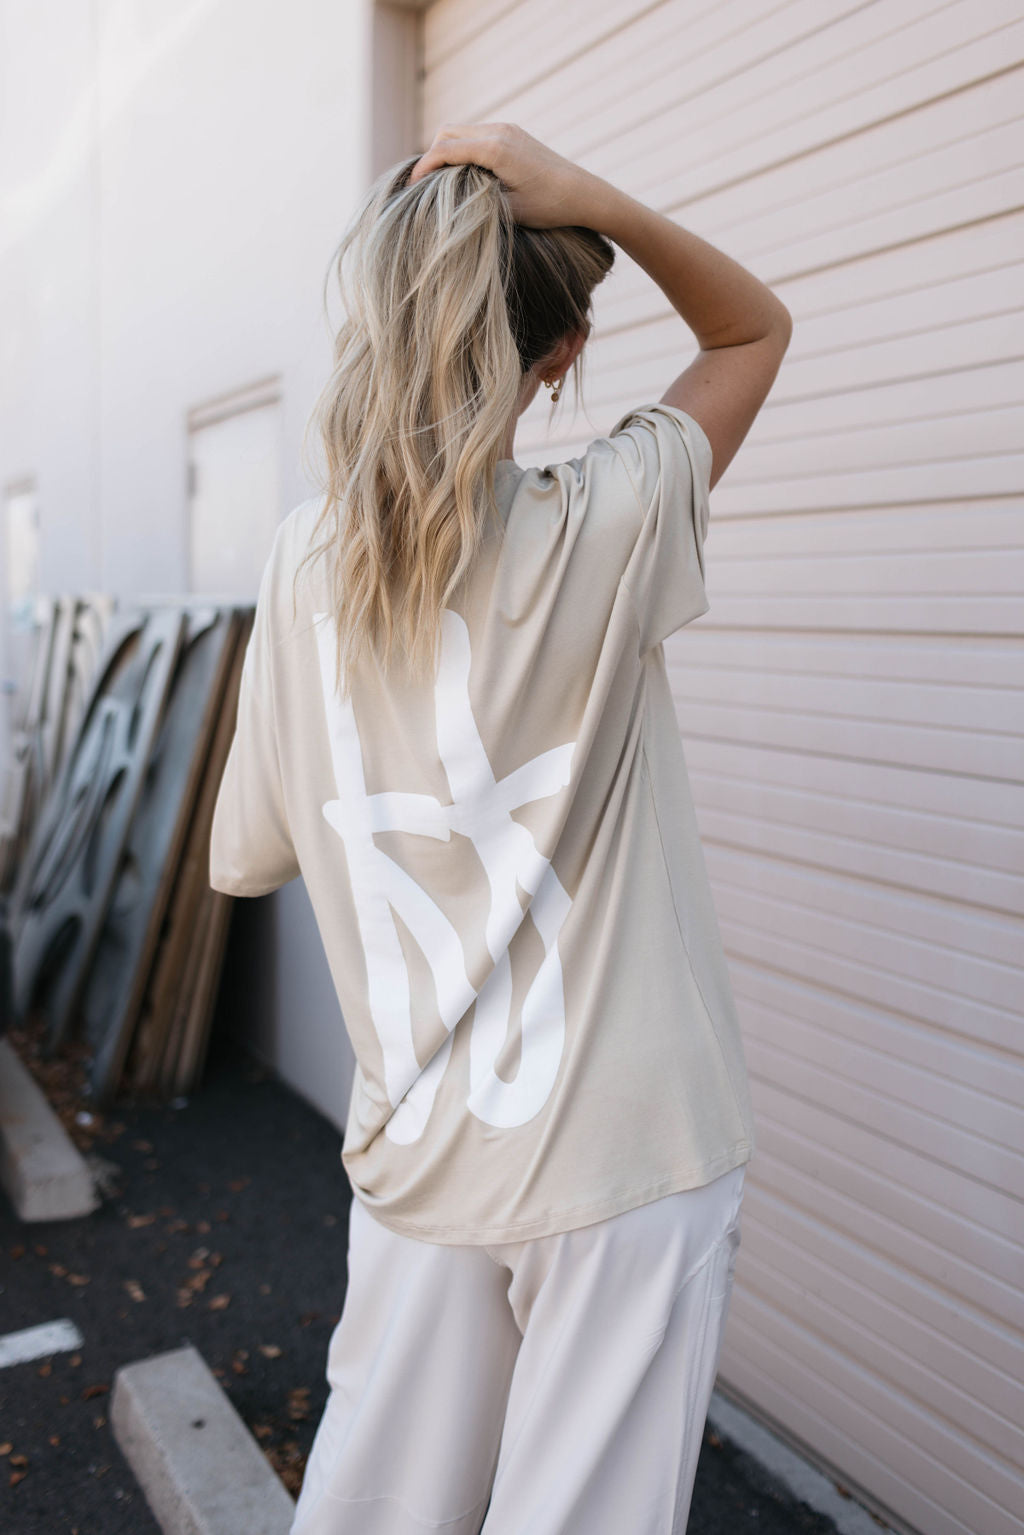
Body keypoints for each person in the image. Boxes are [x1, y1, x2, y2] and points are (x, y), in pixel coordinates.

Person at [209, 121, 792, 1535]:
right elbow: (751, 330)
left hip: (424, 1157)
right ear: (564, 355)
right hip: (628, 1150)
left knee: (368, 1511)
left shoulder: (300, 566)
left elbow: (245, 857)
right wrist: (596, 194)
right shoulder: (616, 518)